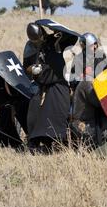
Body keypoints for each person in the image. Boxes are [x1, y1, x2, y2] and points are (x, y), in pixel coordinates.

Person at [23, 23, 74, 154]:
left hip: (57, 77)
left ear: (42, 34)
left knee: (58, 103)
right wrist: (33, 69)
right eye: (34, 40)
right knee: (34, 103)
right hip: (40, 81)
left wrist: (57, 31)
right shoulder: (29, 48)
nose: (37, 42)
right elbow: (26, 69)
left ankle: (57, 138)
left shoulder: (53, 40)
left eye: (39, 38)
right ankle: (34, 138)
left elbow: (71, 39)